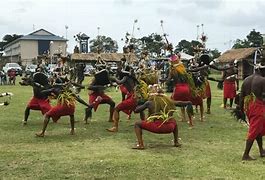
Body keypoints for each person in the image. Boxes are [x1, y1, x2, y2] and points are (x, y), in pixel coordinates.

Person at [238, 63, 265, 160]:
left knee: (258, 128)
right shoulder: (262, 80)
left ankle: (262, 150)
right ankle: (246, 155)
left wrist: (241, 110)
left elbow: (241, 96)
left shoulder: (246, 79)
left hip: (248, 106)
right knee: (254, 130)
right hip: (258, 106)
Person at [107, 66, 144, 132]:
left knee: (116, 109)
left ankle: (115, 127)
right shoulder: (132, 79)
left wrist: (114, 78)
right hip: (135, 97)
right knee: (140, 109)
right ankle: (144, 123)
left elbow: (119, 82)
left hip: (132, 98)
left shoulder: (125, 77)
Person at [168, 53, 193, 126]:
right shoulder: (182, 68)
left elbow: (169, 80)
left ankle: (169, 119)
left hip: (178, 88)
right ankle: (190, 122)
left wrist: (167, 80)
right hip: (186, 88)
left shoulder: (173, 69)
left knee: (171, 103)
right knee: (187, 103)